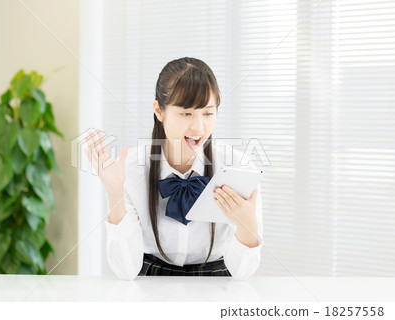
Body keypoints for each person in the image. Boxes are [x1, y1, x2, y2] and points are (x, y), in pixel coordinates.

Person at [84, 57, 263, 280]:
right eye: (186, 113)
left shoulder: (238, 166)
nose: (199, 127)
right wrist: (114, 192)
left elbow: (242, 273)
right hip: (150, 284)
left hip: (217, 285)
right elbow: (125, 271)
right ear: (159, 111)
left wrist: (247, 225)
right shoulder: (130, 168)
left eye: (208, 113)